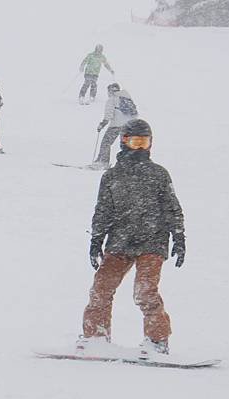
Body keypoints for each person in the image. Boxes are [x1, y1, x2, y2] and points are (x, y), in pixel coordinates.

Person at [79, 119, 186, 356]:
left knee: (145, 291)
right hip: (120, 240)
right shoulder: (112, 176)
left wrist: (178, 237)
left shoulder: (158, 174)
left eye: (143, 143)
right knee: (101, 289)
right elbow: (103, 210)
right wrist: (96, 239)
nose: (139, 148)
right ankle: (95, 337)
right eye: (134, 142)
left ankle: (157, 340)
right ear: (123, 142)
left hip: (152, 240)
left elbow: (172, 207)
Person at [91, 83, 138, 170]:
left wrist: (102, 124)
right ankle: (130, 164)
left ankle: (102, 162)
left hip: (116, 125)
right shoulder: (127, 98)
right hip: (130, 126)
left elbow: (108, 115)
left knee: (106, 143)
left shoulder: (112, 100)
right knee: (126, 146)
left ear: (110, 91)